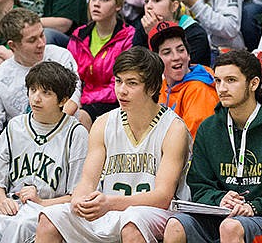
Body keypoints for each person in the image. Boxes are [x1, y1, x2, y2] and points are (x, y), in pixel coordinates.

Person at [35, 46, 192, 243]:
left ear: (152, 88)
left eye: (131, 83)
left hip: (158, 214)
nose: (121, 90)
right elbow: (87, 181)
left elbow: (163, 197)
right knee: (50, 217)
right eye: (118, 81)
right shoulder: (103, 123)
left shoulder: (173, 128)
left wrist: (110, 203)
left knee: (132, 222)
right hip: (111, 210)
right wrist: (79, 200)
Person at [0, 61, 89, 243]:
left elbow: (77, 196)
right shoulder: (15, 126)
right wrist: (1, 200)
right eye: (33, 90)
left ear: (63, 100)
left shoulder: (76, 133)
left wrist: (42, 203)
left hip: (50, 211)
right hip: (15, 204)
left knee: (20, 225)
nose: (36, 98)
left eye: (46, 93)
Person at [163, 50, 262, 243]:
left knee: (230, 227)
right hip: (222, 216)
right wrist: (220, 198)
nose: (222, 88)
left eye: (231, 80)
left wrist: (255, 207)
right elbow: (199, 186)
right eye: (218, 81)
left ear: (253, 83)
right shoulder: (209, 128)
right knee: (175, 225)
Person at [0, 8, 81, 144]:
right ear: (13, 46)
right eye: (32, 40)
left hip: (63, 136)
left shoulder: (60, 56)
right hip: (22, 144)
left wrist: (43, 135)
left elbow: (72, 100)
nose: (41, 44)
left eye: (42, 35)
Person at [68, 0, 134, 121]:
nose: (96, 4)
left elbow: (121, 82)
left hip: (115, 101)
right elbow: (69, 75)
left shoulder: (129, 37)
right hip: (81, 99)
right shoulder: (79, 35)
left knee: (81, 116)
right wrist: (75, 99)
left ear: (118, 6)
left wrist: (84, 99)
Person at [148, 21, 217, 139]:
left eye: (180, 50)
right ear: (157, 61)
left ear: (188, 55)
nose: (176, 57)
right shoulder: (160, 87)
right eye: (167, 52)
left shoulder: (199, 90)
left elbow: (194, 143)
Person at [134, 0, 212, 66]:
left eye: (156, 0)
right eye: (146, 1)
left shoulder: (195, 34)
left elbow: (178, 70)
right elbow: (136, 65)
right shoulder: (144, 26)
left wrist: (155, 33)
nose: (148, 6)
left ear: (174, 6)